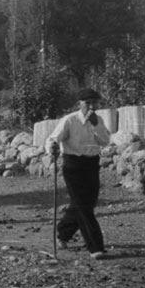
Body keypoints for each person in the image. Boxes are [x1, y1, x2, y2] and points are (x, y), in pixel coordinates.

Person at [45, 88, 111, 259]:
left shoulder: (99, 120)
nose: (90, 106)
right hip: (73, 165)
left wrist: (96, 125)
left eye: (94, 103)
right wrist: (52, 147)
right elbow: (53, 138)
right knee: (83, 206)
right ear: (79, 104)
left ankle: (63, 232)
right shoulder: (70, 120)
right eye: (86, 103)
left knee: (85, 203)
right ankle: (96, 247)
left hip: (91, 164)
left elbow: (104, 141)